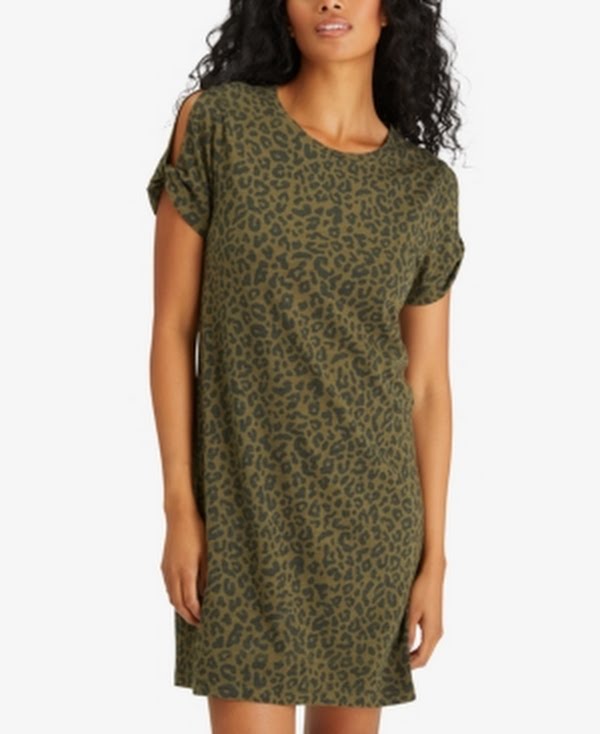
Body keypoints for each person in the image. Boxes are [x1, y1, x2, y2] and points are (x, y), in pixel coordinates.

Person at [147, 1, 466, 732]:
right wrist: (180, 508)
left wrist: (434, 560)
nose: (330, 0)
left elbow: (426, 388)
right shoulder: (218, 125)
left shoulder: (423, 188)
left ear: (392, 13)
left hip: (370, 525)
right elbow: (172, 329)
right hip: (241, 516)